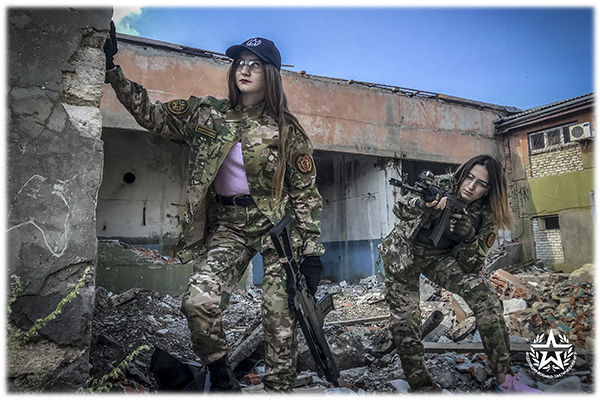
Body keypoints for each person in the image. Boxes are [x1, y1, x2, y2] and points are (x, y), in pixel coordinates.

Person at [103, 23, 325, 392]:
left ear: (270, 74)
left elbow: (305, 193)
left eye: (255, 64)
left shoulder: (287, 130)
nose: (244, 69)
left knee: (279, 312)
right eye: (240, 62)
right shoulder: (208, 114)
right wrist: (113, 69)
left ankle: (280, 388)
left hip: (276, 228)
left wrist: (312, 253)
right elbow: (150, 115)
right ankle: (222, 378)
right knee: (197, 301)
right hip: (229, 225)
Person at [379, 154, 542, 394]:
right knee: (405, 321)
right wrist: (423, 205)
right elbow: (400, 207)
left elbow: (472, 265)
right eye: (469, 177)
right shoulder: (442, 185)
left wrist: (468, 238)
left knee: (487, 298)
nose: (471, 186)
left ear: (489, 190)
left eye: (481, 184)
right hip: (403, 253)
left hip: (439, 259)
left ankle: (505, 379)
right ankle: (422, 387)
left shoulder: (487, 215)